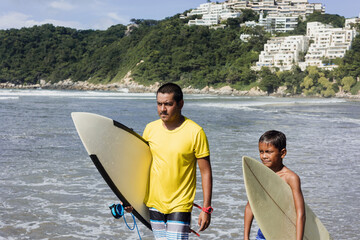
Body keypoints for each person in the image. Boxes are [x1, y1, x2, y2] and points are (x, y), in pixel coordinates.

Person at [142, 82, 213, 239]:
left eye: (168, 104)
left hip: (180, 204)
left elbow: (206, 171)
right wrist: (130, 199)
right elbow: (140, 166)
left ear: (180, 104)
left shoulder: (195, 132)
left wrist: (206, 208)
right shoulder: (150, 129)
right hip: (154, 203)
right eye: (159, 104)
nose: (163, 109)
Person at [244, 130, 305, 240]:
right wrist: (246, 237)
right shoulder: (259, 176)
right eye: (261, 152)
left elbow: (300, 213)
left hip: (285, 233)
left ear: (282, 153)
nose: (264, 156)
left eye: (268, 152)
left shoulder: (291, 178)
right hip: (264, 231)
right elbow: (250, 207)